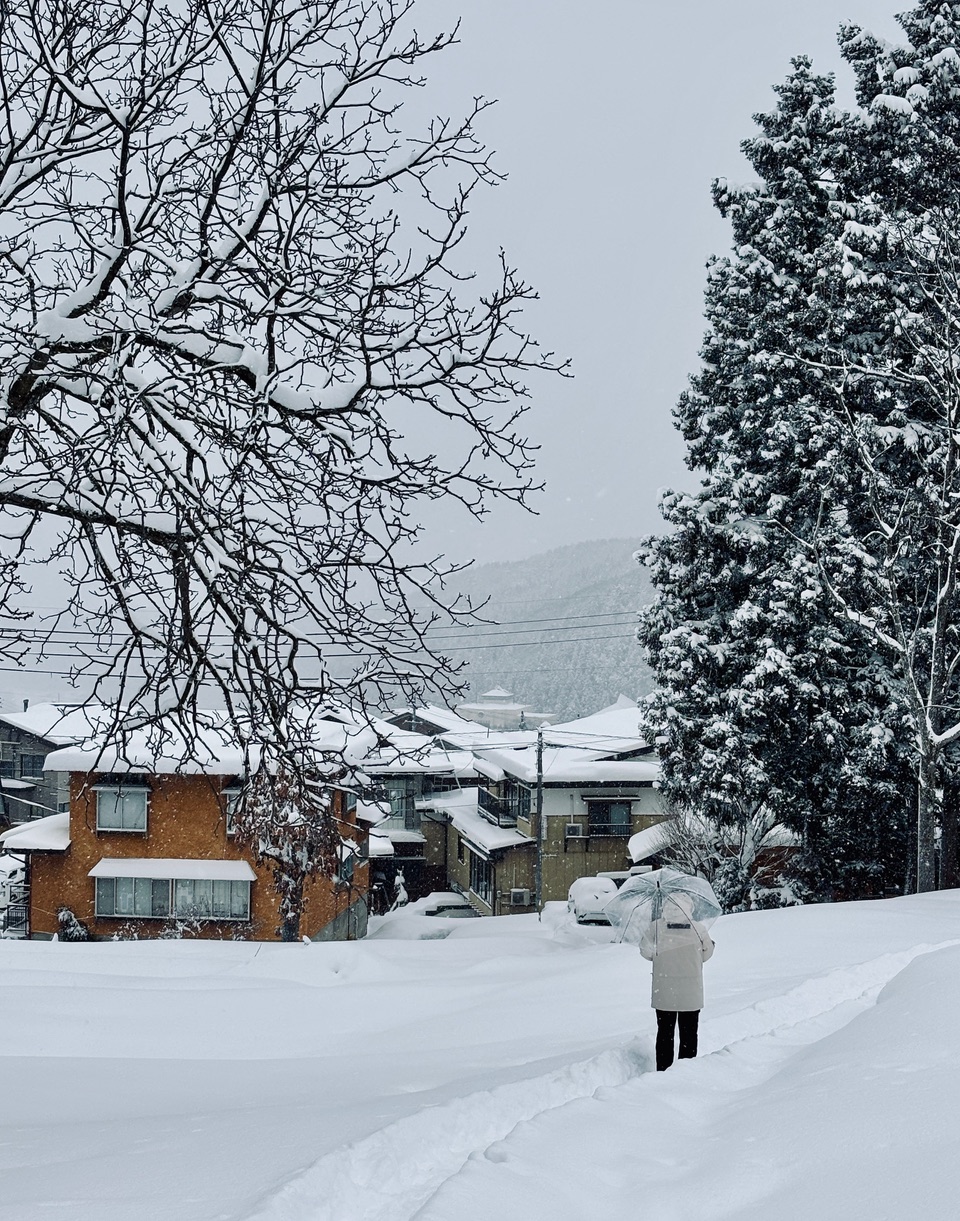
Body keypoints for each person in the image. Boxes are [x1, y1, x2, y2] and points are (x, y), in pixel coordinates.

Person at [639, 892, 714, 1071]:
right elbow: (706, 954)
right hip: (691, 991)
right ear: (689, 908)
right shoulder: (698, 929)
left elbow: (645, 952)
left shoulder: (655, 928)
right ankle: (685, 1071)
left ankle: (663, 1070)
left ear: (665, 907)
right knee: (689, 1035)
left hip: (664, 990)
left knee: (665, 1034)